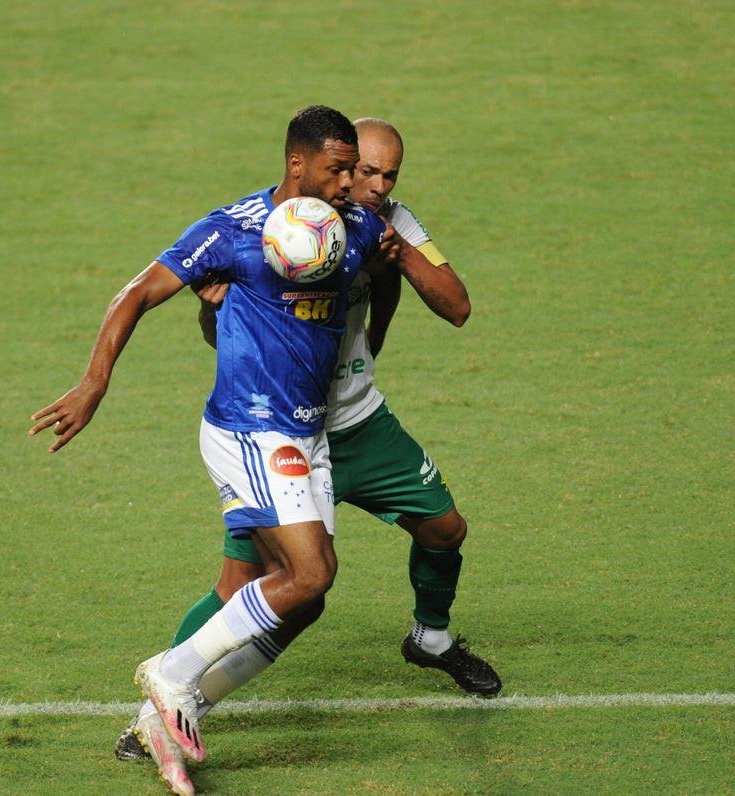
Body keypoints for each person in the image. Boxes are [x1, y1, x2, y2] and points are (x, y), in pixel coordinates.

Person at [113, 118, 501, 790]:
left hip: (359, 425)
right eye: (362, 173)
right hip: (282, 434)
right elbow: (230, 330)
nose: (373, 187)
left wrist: (394, 253)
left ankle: (430, 639)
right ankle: (154, 707)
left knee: (442, 528)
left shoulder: (392, 224)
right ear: (328, 165)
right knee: (252, 586)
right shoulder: (280, 226)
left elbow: (457, 305)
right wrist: (214, 310)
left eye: (387, 177)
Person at [30, 105, 396, 794]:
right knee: (310, 574)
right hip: (250, 428)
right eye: (339, 168)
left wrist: (377, 329)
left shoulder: (355, 233)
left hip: (308, 431)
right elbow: (137, 293)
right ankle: (171, 676)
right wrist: (94, 383)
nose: (353, 182)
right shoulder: (234, 233)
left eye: (355, 169)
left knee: (303, 600)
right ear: (297, 165)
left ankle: (167, 713)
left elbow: (398, 277)